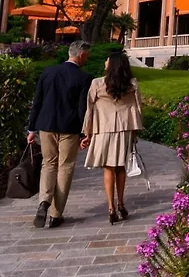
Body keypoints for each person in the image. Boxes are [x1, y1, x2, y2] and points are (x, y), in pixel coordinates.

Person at [28, 40, 93, 229]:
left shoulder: (48, 72)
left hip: (46, 125)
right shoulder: (84, 77)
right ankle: (56, 214)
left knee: (48, 163)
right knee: (65, 167)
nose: (86, 60)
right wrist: (84, 133)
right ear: (81, 55)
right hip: (69, 128)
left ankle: (43, 201)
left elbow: (37, 101)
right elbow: (82, 109)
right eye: (86, 56)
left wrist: (31, 129)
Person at [81, 51, 144, 224]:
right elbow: (137, 109)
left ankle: (110, 207)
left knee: (108, 168)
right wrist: (135, 132)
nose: (105, 63)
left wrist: (87, 134)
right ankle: (121, 203)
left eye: (107, 60)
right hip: (124, 130)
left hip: (103, 129)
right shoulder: (132, 84)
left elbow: (90, 109)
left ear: (112, 64)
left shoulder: (97, 83)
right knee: (121, 167)